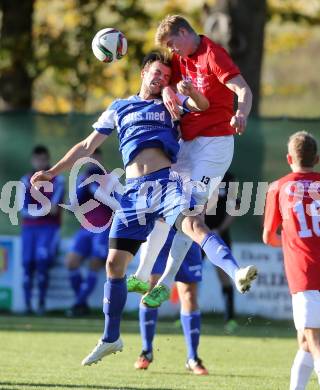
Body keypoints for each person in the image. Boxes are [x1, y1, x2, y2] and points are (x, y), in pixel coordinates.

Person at [30, 52, 257, 366]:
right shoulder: (119, 107)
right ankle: (112, 337)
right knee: (113, 264)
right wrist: (53, 172)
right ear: (143, 72)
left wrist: (189, 93)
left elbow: (203, 106)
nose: (161, 78)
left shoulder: (170, 100)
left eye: (166, 75)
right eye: (156, 72)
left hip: (166, 182)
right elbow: (86, 147)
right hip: (134, 193)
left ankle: (235, 272)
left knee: (194, 225)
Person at [128, 15, 253, 308]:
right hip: (186, 144)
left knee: (191, 215)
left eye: (173, 43)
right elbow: (165, 81)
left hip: (214, 145)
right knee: (170, 208)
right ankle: (147, 275)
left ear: (185, 32)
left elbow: (244, 90)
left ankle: (217, 274)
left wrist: (242, 113)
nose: (173, 50)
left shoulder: (213, 54)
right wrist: (170, 91)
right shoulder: (178, 56)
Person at [263, 131, 320, 390]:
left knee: (315, 339)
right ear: (317, 158)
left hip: (305, 272)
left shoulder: (278, 187)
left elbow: (269, 236)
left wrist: (289, 243)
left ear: (289, 158)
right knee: (305, 340)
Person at [134, 230, 208, 375]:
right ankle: (146, 351)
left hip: (187, 235)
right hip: (159, 234)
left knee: (189, 294)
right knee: (151, 289)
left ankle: (192, 357)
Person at [66, 149, 113, 317]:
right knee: (71, 262)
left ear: (100, 159)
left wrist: (95, 189)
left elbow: (115, 203)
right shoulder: (81, 178)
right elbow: (71, 206)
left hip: (103, 229)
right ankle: (82, 303)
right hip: (85, 228)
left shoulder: (108, 178)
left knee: (95, 263)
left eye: (95, 157)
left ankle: (78, 304)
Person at [20, 145, 65, 315]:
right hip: (29, 230)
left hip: (49, 229)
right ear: (33, 160)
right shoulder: (25, 180)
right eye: (37, 159)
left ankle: (41, 305)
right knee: (27, 265)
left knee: (42, 264)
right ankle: (26, 306)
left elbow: (53, 209)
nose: (40, 162)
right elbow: (22, 210)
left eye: (44, 159)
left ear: (48, 160)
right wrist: (43, 210)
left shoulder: (57, 180)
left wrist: (35, 211)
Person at [204, 171, 240, 334]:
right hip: (198, 233)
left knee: (224, 275)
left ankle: (230, 318)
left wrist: (220, 229)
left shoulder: (229, 178)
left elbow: (235, 207)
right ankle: (186, 313)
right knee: (189, 275)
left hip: (220, 234)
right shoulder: (202, 172)